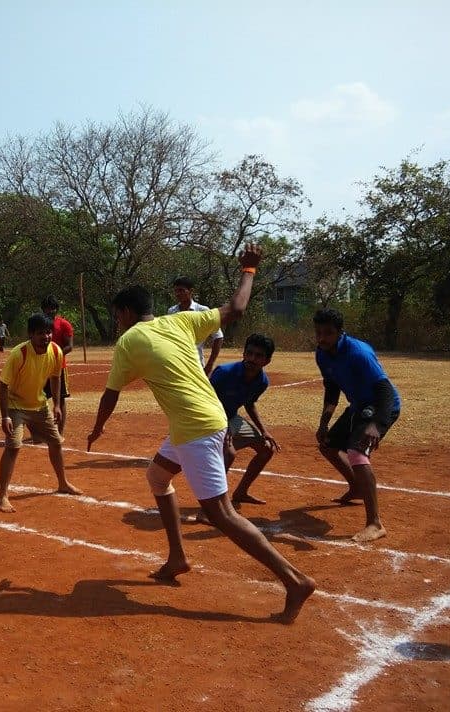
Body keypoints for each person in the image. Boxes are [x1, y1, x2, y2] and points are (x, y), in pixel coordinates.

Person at [87, 245, 315, 623]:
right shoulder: (180, 321)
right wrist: (249, 269)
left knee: (221, 513)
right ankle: (177, 557)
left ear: (125, 312)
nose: (116, 322)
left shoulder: (129, 341)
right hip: (200, 421)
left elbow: (111, 394)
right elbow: (236, 309)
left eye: (116, 315)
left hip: (197, 428)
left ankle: (295, 580)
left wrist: (98, 427)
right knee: (157, 477)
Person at [314, 308, 401, 543]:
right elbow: (332, 389)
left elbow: (384, 390)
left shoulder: (358, 352)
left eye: (328, 333)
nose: (322, 338)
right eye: (318, 332)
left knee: (357, 451)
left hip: (381, 406)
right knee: (328, 445)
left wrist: (376, 425)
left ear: (340, 332)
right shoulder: (322, 354)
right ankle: (356, 487)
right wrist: (324, 423)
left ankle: (375, 523)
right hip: (359, 407)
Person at [182, 333, 280, 525]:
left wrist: (264, 430)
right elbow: (205, 400)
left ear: (267, 361)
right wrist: (222, 425)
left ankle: (241, 492)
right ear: (243, 353)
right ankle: (207, 510)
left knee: (266, 449)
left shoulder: (262, 381)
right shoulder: (225, 372)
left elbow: (249, 404)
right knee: (229, 454)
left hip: (230, 418)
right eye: (249, 353)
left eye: (258, 355)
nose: (252, 358)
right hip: (207, 417)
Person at [0, 313, 83, 512]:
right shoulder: (19, 354)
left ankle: (63, 483)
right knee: (13, 447)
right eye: (40, 333)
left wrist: (57, 405)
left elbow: (55, 377)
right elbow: (2, 385)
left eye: (48, 332)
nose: (46, 337)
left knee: (56, 442)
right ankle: (2, 496)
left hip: (40, 405)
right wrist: (5, 416)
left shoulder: (56, 351)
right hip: (16, 406)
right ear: (31, 334)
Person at [168, 276, 224, 376]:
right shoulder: (172, 311)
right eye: (176, 291)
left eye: (181, 290)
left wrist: (210, 365)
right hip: (176, 365)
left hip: (196, 365)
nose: (178, 294)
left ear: (191, 291)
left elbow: (218, 336)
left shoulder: (202, 311)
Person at [41, 295, 74, 436]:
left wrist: (54, 355)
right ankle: (40, 430)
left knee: (60, 399)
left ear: (56, 309)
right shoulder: (40, 325)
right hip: (41, 368)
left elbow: (69, 346)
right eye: (47, 308)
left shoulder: (64, 324)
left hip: (58, 367)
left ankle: (59, 432)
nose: (50, 311)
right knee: (38, 398)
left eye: (52, 308)